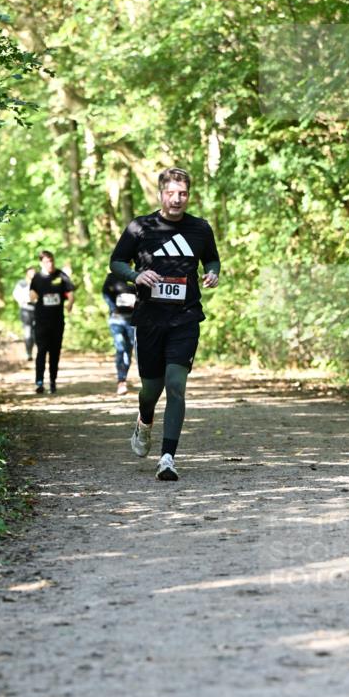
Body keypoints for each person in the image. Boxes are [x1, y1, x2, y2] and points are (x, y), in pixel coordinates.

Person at [110, 167, 220, 481]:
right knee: (151, 389)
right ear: (160, 194)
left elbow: (212, 258)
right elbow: (116, 261)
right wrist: (135, 275)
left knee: (176, 384)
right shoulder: (140, 227)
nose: (177, 199)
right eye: (171, 193)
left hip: (185, 317)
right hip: (149, 319)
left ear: (189, 194)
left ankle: (167, 458)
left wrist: (213, 272)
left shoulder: (200, 228)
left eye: (182, 193)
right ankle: (144, 421)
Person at [30, 251, 75, 394]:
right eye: (47, 262)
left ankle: (53, 382)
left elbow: (70, 292)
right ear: (41, 263)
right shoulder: (37, 277)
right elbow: (32, 295)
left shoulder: (61, 275)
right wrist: (33, 296)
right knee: (41, 351)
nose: (50, 264)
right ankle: (39, 382)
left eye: (52, 261)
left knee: (55, 353)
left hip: (57, 321)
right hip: (41, 321)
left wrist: (70, 303)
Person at [102, 272, 136, 394]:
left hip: (132, 320)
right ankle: (121, 381)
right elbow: (105, 292)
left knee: (128, 350)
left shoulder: (138, 273)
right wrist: (112, 307)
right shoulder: (113, 276)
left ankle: (124, 377)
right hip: (117, 318)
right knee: (120, 347)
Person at [13, 266, 37, 361]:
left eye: (34, 272)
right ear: (27, 273)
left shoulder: (39, 283)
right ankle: (28, 353)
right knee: (28, 332)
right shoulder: (21, 283)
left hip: (37, 309)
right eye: (31, 272)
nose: (33, 274)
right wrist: (24, 300)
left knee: (36, 332)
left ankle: (38, 352)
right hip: (26, 309)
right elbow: (16, 294)